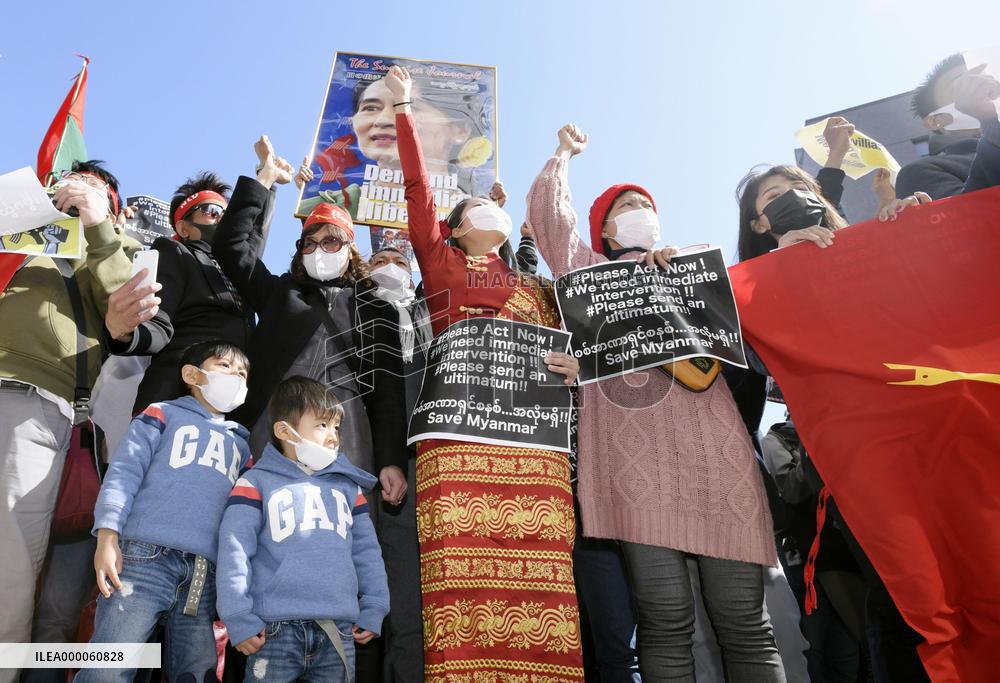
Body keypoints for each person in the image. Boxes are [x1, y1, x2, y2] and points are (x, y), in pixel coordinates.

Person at [526, 123, 784, 681]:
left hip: (718, 462)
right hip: (634, 465)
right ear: (606, 230)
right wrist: (564, 155)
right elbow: (551, 219)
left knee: (747, 625)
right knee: (664, 625)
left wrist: (684, 278)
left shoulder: (692, 264)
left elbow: (755, 314)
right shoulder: (588, 276)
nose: (641, 209)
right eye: (626, 206)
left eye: (646, 203)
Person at [388, 65, 585, 682]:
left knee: (545, 588)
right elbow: (418, 186)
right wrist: (402, 109)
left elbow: (585, 336)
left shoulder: (539, 288)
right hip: (458, 447)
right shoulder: (440, 265)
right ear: (454, 228)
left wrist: (579, 367)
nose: (486, 210)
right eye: (472, 206)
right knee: (458, 585)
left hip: (536, 454)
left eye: (489, 205)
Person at [0, 160, 136, 682]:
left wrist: (98, 224)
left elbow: (132, 314)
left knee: (10, 568)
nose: (74, 191)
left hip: (34, 406)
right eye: (67, 182)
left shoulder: (116, 248)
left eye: (94, 186)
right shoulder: (19, 231)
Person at [77, 340, 252, 683]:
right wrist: (108, 536)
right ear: (192, 374)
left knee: (197, 674)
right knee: (108, 669)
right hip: (143, 560)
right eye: (225, 367)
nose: (236, 377)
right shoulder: (161, 414)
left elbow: (242, 520)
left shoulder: (242, 445)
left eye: (244, 374)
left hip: (204, 575)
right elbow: (124, 473)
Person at [217, 376, 389, 682]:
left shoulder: (350, 489)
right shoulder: (254, 483)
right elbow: (234, 552)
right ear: (285, 431)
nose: (334, 436)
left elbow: (368, 553)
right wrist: (238, 617)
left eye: (336, 427)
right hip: (273, 632)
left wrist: (374, 606)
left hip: (338, 630)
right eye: (322, 425)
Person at [105, 137, 290, 412]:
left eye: (226, 213)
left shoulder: (237, 265)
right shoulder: (174, 253)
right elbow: (158, 323)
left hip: (234, 400)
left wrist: (268, 178)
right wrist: (123, 333)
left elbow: (253, 235)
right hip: (181, 395)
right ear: (183, 227)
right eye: (211, 211)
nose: (221, 218)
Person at [299, 65, 494, 219]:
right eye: (370, 108)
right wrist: (305, 192)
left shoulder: (470, 214)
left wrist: (490, 213)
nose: (383, 120)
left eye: (410, 106)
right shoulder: (340, 204)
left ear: (459, 129)